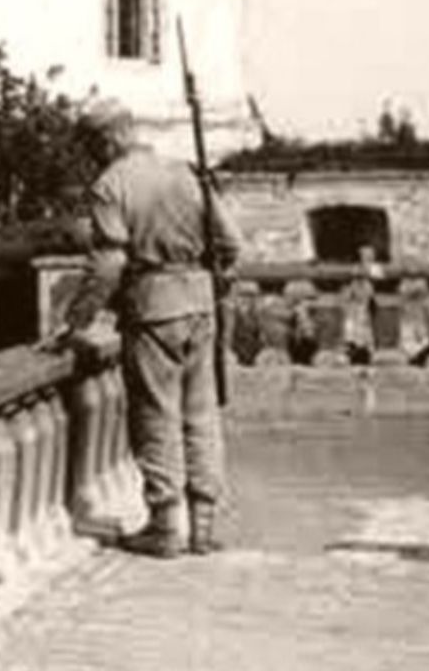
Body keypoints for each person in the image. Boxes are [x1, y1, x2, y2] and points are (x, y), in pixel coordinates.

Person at [56, 137, 244, 558]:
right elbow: (231, 243)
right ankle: (202, 527)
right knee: (201, 415)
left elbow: (109, 264)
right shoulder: (185, 172)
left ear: (104, 143)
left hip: (152, 307)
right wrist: (212, 280)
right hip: (201, 306)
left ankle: (164, 527)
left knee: (156, 415)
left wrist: (76, 321)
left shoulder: (112, 183)